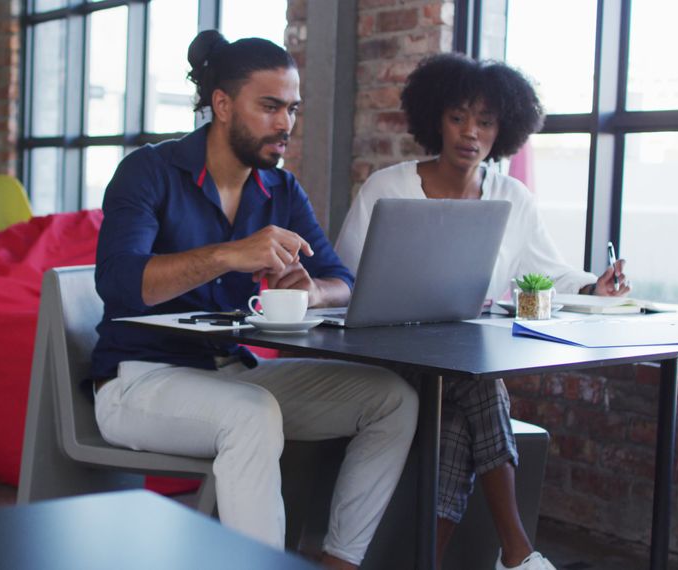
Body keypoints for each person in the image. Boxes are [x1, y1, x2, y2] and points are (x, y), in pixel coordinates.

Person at [90, 30, 418, 570]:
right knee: (252, 414)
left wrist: (313, 293)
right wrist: (228, 254)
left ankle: (340, 560)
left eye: (291, 109)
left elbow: (345, 281)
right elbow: (122, 282)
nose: (285, 123)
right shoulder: (149, 172)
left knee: (393, 398)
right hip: (139, 380)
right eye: (269, 107)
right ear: (221, 104)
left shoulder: (281, 192)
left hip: (232, 376)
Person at [334, 53, 629, 570]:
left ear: (504, 129)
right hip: (384, 356)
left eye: (486, 121)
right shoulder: (388, 188)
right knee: (477, 377)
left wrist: (594, 285)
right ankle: (517, 552)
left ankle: (434, 561)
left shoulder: (512, 196)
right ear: (435, 120)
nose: (471, 132)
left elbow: (551, 272)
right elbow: (344, 284)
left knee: (463, 403)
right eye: (458, 117)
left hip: (458, 365)